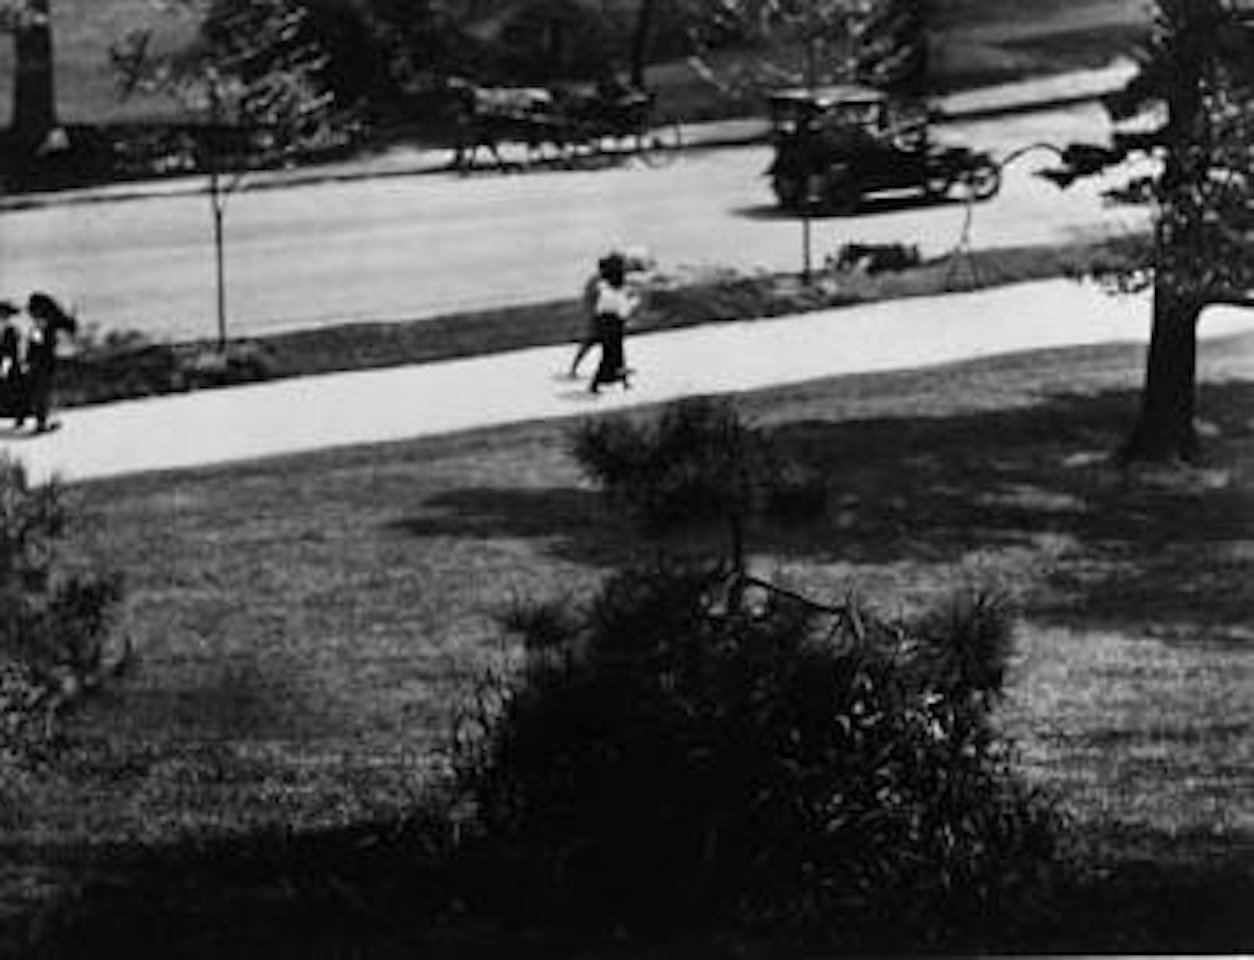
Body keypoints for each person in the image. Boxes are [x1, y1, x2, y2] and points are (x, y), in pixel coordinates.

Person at [22, 291, 77, 433]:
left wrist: (28, 361)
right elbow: (35, 346)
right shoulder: (46, 326)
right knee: (42, 392)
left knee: (41, 392)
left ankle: (41, 422)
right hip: (45, 363)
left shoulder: (42, 327)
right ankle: (41, 422)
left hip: (42, 364)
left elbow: (34, 347)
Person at [588, 252, 639, 394]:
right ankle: (598, 383)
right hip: (611, 321)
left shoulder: (605, 285)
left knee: (615, 352)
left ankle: (621, 381)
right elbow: (623, 306)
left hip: (608, 321)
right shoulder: (611, 286)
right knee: (612, 353)